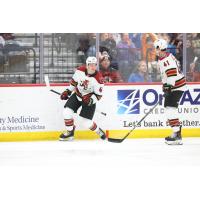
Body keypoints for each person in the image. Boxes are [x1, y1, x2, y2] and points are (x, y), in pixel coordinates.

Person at [59, 56, 106, 141]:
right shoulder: (79, 70)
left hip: (89, 100)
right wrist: (67, 91)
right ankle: (70, 132)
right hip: (77, 95)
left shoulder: (99, 79)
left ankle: (99, 131)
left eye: (94, 65)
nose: (93, 67)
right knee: (66, 112)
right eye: (90, 65)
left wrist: (90, 100)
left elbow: (98, 95)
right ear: (87, 65)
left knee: (85, 122)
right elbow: (74, 83)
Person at [154, 39, 187, 145]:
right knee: (169, 108)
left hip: (176, 87)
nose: (155, 50)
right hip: (175, 86)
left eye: (156, 48)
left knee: (170, 109)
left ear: (159, 48)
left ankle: (177, 135)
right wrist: (165, 86)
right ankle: (176, 132)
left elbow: (172, 74)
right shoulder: (164, 57)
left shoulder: (166, 60)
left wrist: (168, 87)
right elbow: (166, 75)